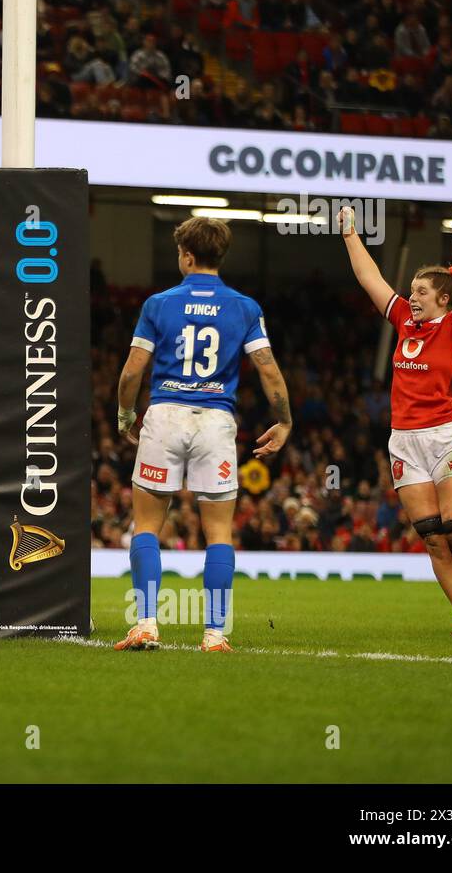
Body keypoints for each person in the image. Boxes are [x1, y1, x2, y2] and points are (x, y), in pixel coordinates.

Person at [114, 216, 292, 653]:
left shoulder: (159, 304)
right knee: (218, 533)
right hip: (215, 422)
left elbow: (133, 369)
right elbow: (268, 369)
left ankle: (147, 624)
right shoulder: (245, 307)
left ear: (187, 256)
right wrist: (284, 421)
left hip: (166, 416)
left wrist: (124, 414)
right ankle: (214, 633)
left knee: (148, 527)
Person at [339, 208, 452, 636]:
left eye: (422, 291)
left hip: (445, 435)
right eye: (411, 290)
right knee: (433, 537)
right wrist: (350, 234)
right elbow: (370, 279)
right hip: (404, 442)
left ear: (442, 299)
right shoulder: (404, 323)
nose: (412, 297)